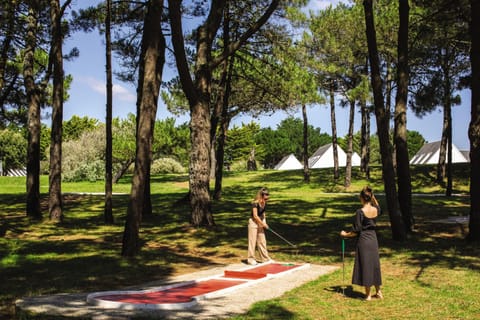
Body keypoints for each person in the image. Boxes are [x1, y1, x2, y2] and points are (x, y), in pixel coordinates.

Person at [340, 186, 383, 301]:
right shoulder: (375, 210)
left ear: (362, 198)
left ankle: (368, 295)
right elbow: (379, 207)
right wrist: (373, 198)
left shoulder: (360, 212)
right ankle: (378, 292)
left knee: (366, 265)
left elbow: (355, 231)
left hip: (364, 240)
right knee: (374, 265)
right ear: (370, 197)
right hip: (373, 239)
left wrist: (345, 234)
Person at [247, 187, 272, 265]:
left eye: (268, 195)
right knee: (252, 241)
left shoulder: (264, 203)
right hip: (253, 223)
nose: (267, 197)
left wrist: (265, 223)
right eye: (266, 195)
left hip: (260, 222)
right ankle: (251, 259)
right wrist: (262, 224)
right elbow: (255, 216)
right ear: (262, 195)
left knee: (262, 240)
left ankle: (265, 258)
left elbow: (263, 214)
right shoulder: (255, 203)